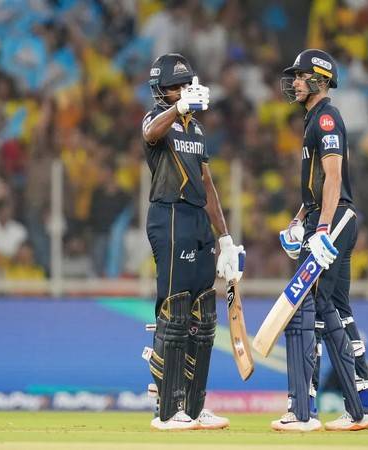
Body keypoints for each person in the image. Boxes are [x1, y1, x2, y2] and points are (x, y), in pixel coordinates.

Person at [275, 49, 368, 432]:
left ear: (320, 80)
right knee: (337, 308)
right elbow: (316, 188)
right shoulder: (314, 119)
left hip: (334, 221)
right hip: (330, 218)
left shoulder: (325, 117)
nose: (296, 82)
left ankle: (304, 411)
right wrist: (299, 219)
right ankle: (364, 406)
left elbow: (333, 177)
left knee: (309, 311)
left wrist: (321, 229)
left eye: (302, 76)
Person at [141, 53, 244, 431]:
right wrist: (180, 106)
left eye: (184, 85)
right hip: (169, 215)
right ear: (161, 90)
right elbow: (150, 134)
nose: (180, 91)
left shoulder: (197, 131)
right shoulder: (156, 118)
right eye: (174, 87)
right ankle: (167, 412)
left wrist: (227, 238)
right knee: (175, 311)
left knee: (203, 315)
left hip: (199, 219)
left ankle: (195, 407)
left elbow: (208, 186)